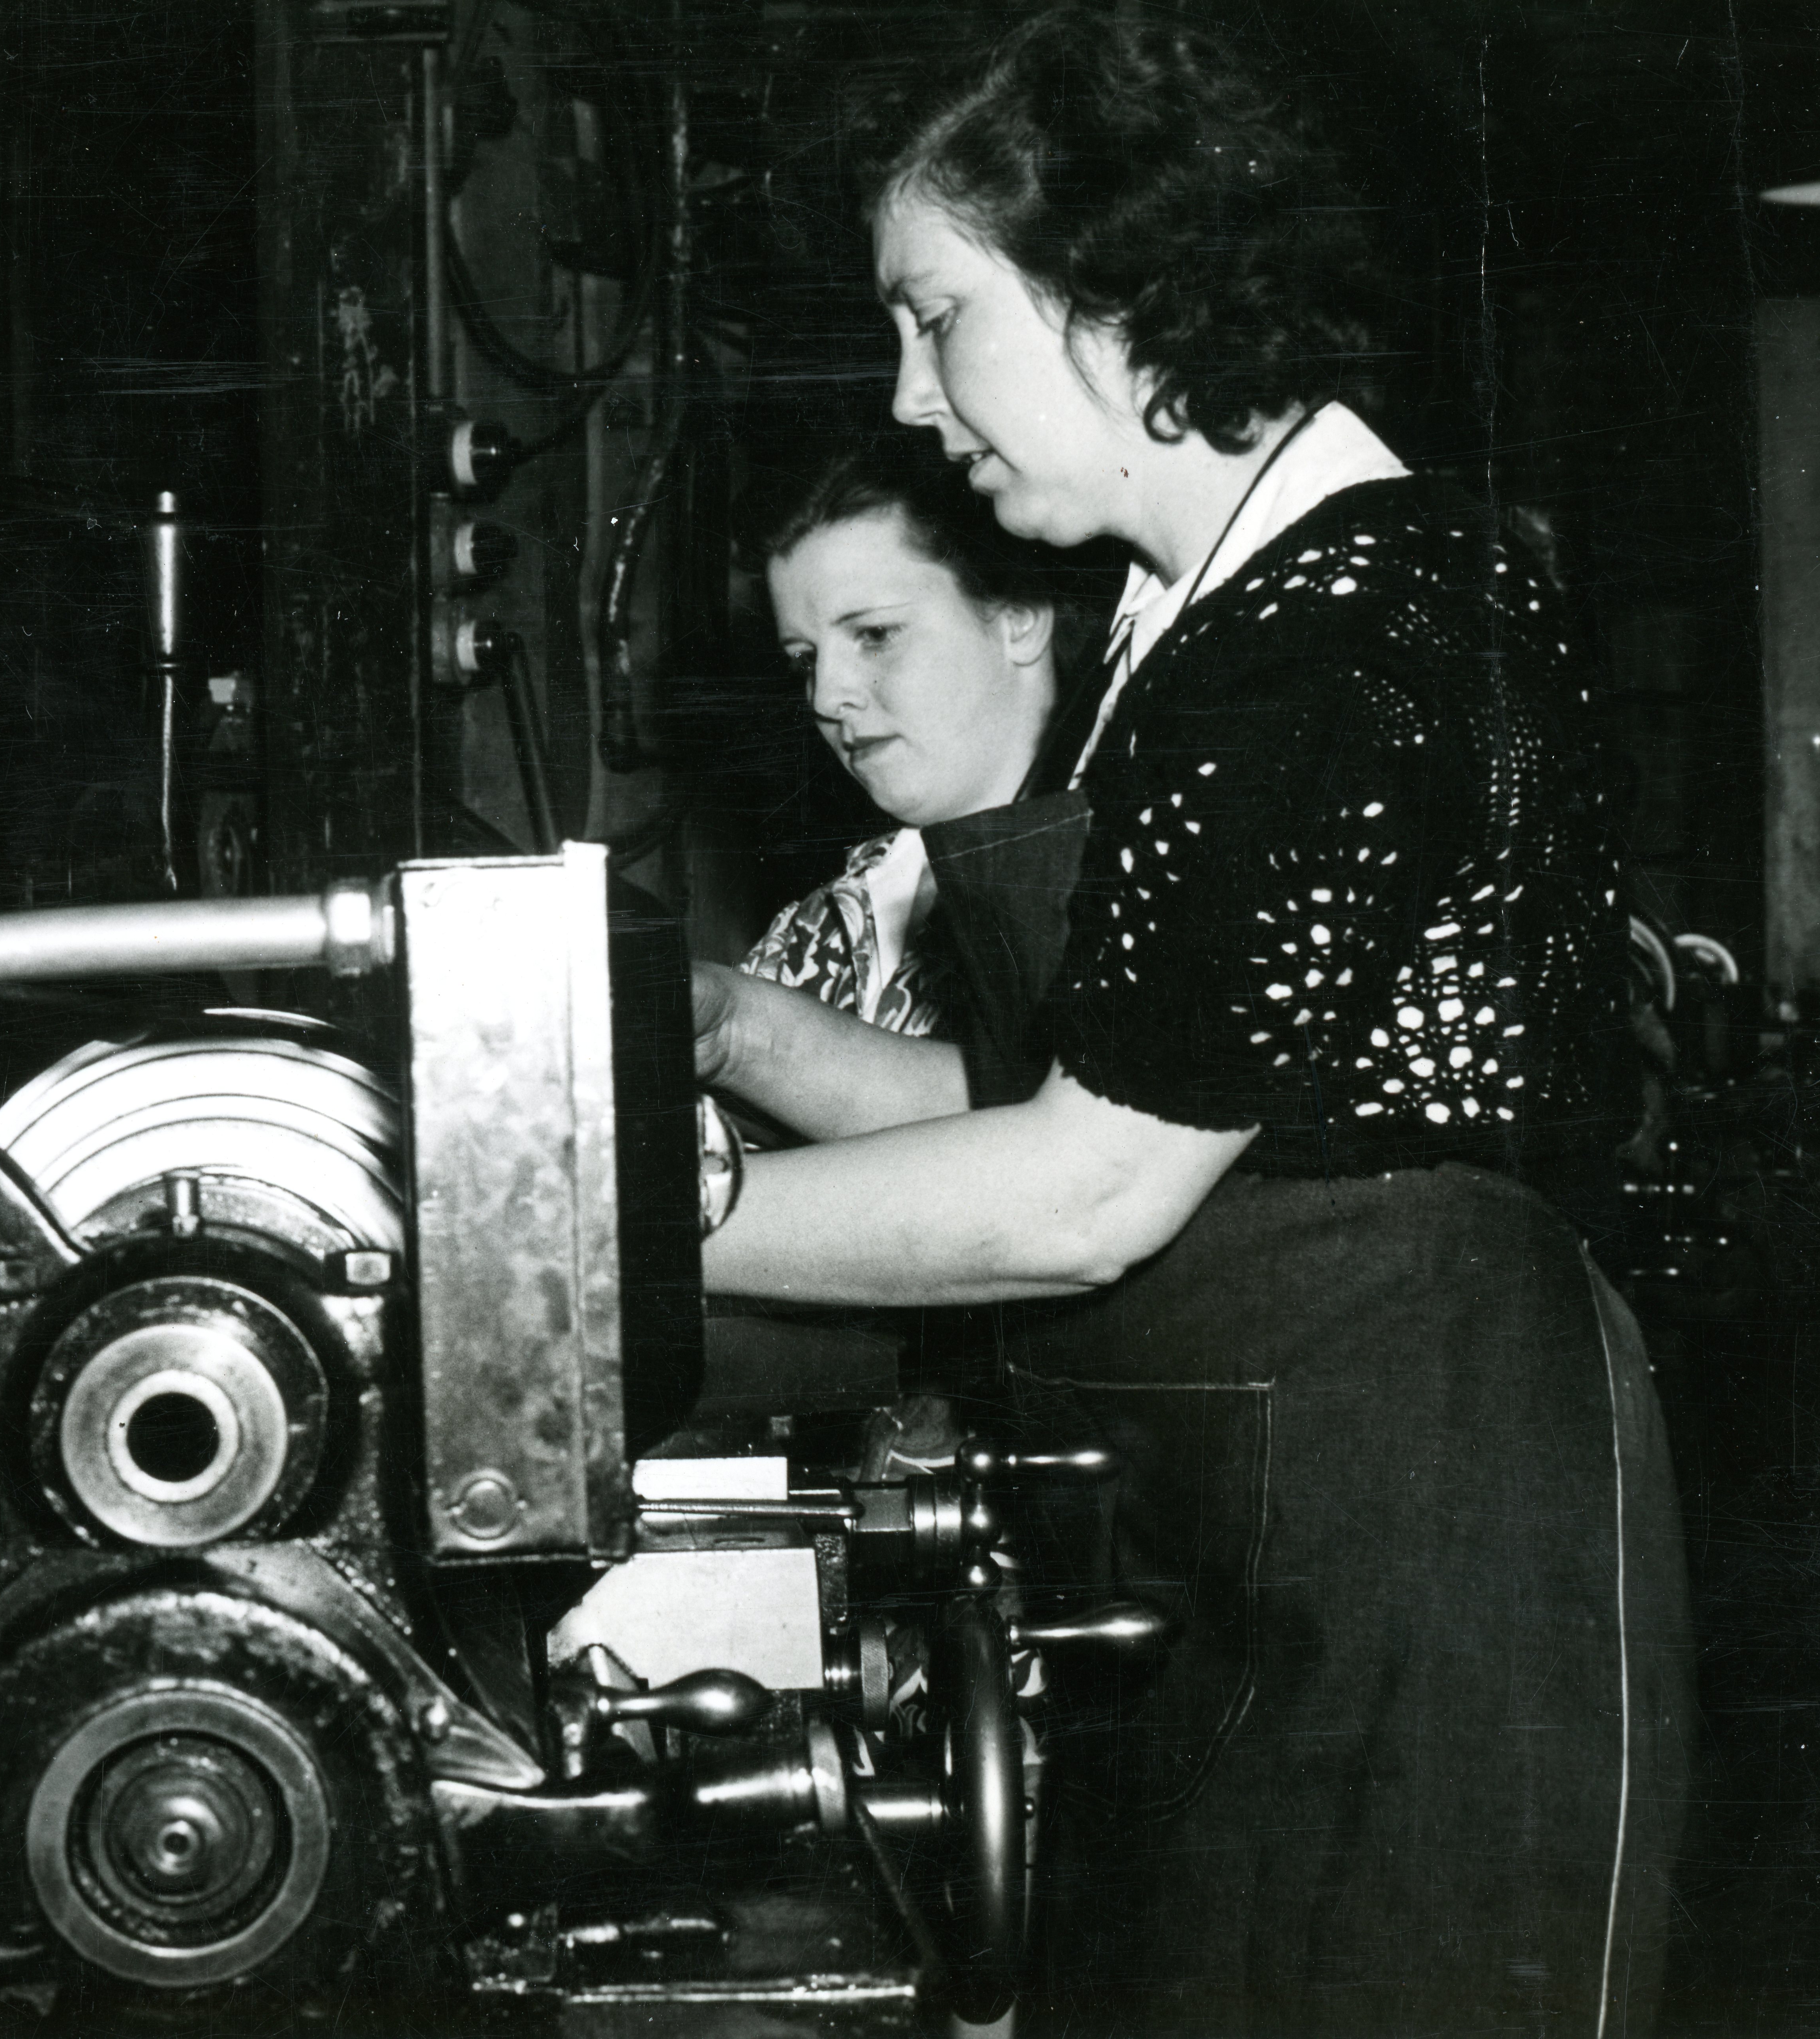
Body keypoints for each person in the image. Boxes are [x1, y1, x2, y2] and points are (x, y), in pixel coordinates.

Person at [692, 10, 1694, 2033]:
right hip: (1268, 1519)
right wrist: (732, 1036)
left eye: (936, 318)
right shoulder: (1204, 624)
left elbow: (1087, 1188)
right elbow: (1095, 1098)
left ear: (1117, 289)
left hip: (1418, 1529)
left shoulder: (1358, 619)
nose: (907, 395)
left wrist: (609, 1235)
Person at [738, 437, 1084, 1042]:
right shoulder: (815, 934)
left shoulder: (1129, 893)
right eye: (805, 660)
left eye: (875, 634)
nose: (825, 698)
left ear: (1019, 617)